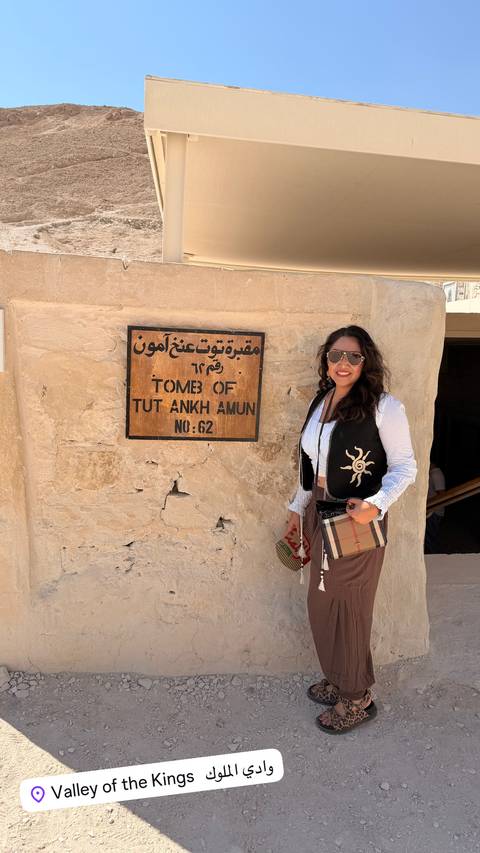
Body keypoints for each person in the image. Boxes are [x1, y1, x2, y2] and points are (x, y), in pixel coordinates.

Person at [285, 325, 417, 734]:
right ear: (326, 360)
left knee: (351, 607)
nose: (343, 363)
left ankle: (357, 696)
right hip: (318, 511)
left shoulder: (384, 407)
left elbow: (405, 468)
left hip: (355, 519)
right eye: (336, 355)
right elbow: (311, 467)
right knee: (322, 600)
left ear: (366, 362)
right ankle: (339, 678)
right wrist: (296, 508)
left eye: (353, 357)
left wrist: (375, 506)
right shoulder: (321, 401)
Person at [424, 459, 445, 553]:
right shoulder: (431, 474)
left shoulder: (436, 474)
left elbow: (442, 495)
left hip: (434, 511)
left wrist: (430, 506)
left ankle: (437, 556)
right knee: (428, 537)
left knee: (430, 538)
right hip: (430, 509)